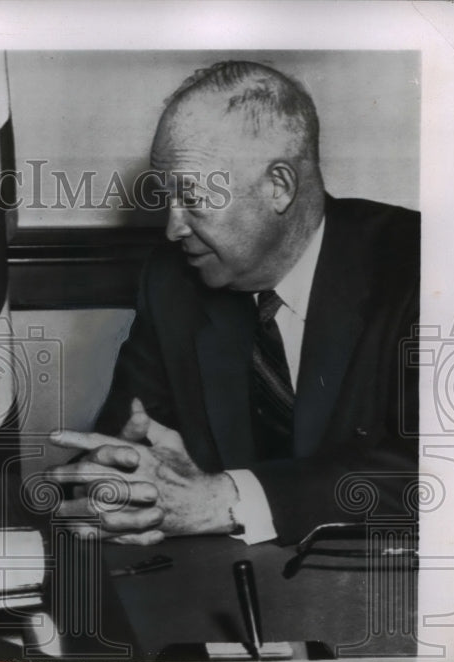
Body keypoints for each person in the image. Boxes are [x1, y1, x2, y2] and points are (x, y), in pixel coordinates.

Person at [47, 61, 419, 546]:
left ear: (278, 187)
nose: (172, 228)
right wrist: (114, 483)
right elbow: (124, 447)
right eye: (166, 198)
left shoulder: (427, 266)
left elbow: (448, 471)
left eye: (193, 198)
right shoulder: (173, 282)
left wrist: (225, 499)